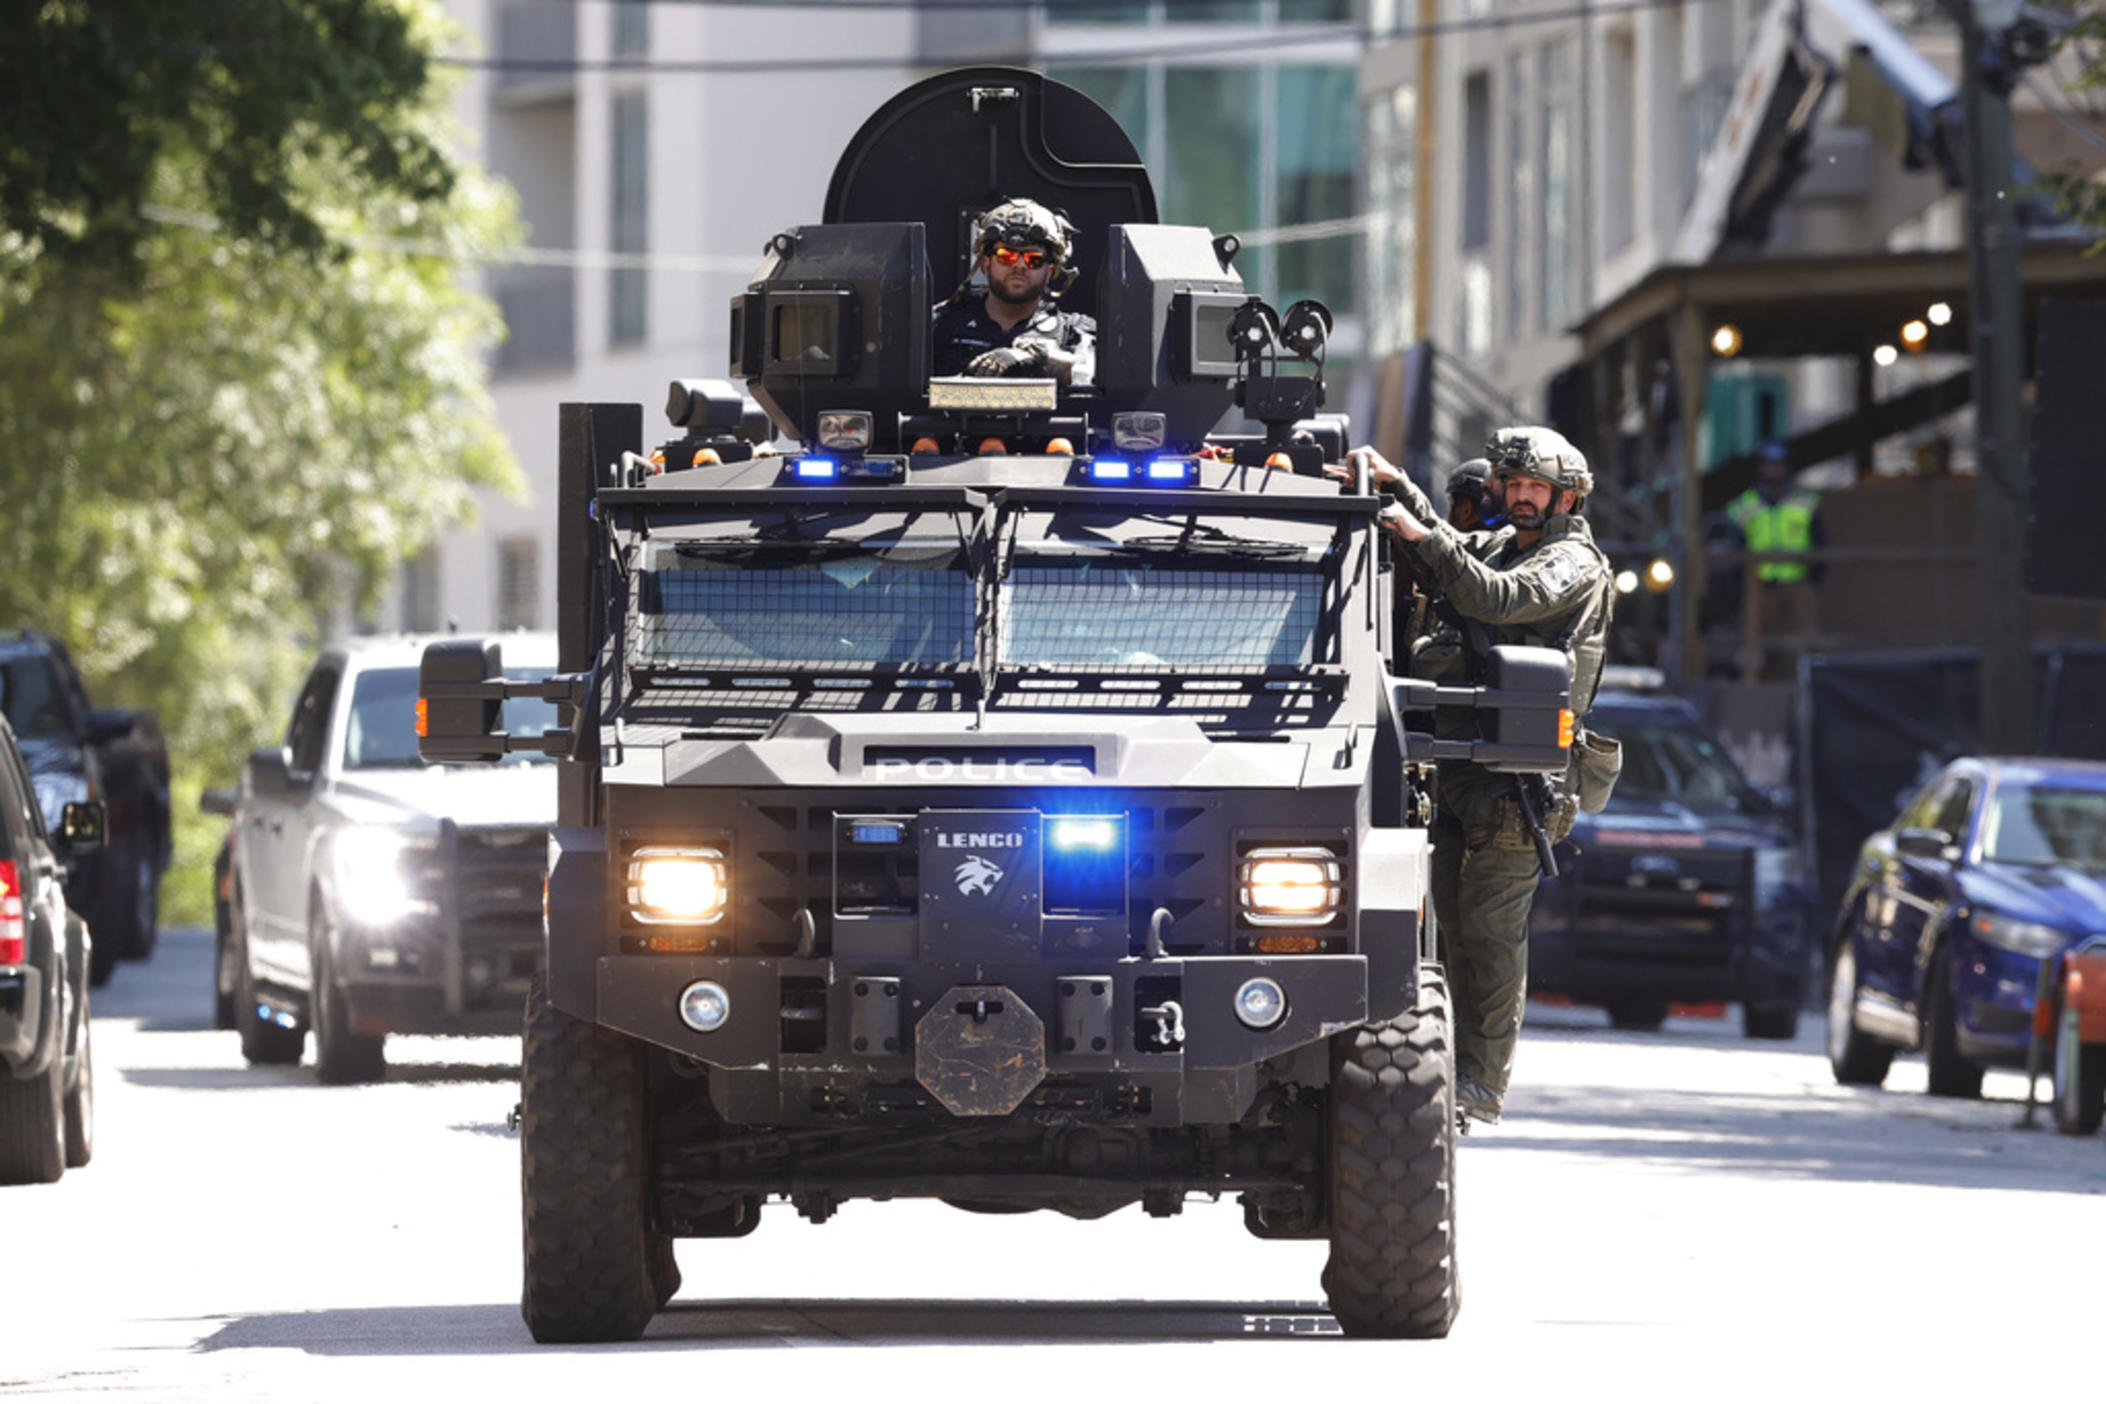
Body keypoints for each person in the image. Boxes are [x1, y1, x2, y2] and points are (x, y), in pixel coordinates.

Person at [1332, 428, 1613, 1128]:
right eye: (1511, 485)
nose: (1518, 497)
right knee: (1449, 931)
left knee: (1489, 934)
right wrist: (1396, 486)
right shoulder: (1501, 543)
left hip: (1517, 781)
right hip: (1462, 763)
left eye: (1533, 488)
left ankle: (1481, 1085)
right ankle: (1450, 1069)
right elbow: (1448, 547)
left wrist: (1419, 535)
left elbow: (1495, 597)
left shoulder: (1570, 562)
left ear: (1565, 497)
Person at [931, 197, 1095, 385]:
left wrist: (1038, 358)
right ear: (986, 264)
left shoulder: (1073, 330)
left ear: (1050, 271)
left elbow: (1098, 372)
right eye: (1006, 256)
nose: (1019, 265)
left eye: (1033, 259)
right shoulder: (939, 324)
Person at [1722, 441, 1825, 681]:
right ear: (1760, 469)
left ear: (1788, 467)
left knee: (1803, 641)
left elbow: (1820, 542)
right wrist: (1741, 582)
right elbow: (1736, 544)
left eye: (1778, 465)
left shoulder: (1805, 502)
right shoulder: (1745, 505)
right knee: (1757, 643)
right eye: (1769, 465)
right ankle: (1758, 689)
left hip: (1798, 582)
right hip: (1759, 584)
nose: (1774, 471)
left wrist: (1814, 575)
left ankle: (1805, 687)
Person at [1445, 457, 1504, 532]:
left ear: (1465, 509)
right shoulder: (1514, 540)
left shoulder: (1446, 542)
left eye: (1452, 504)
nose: (1449, 514)